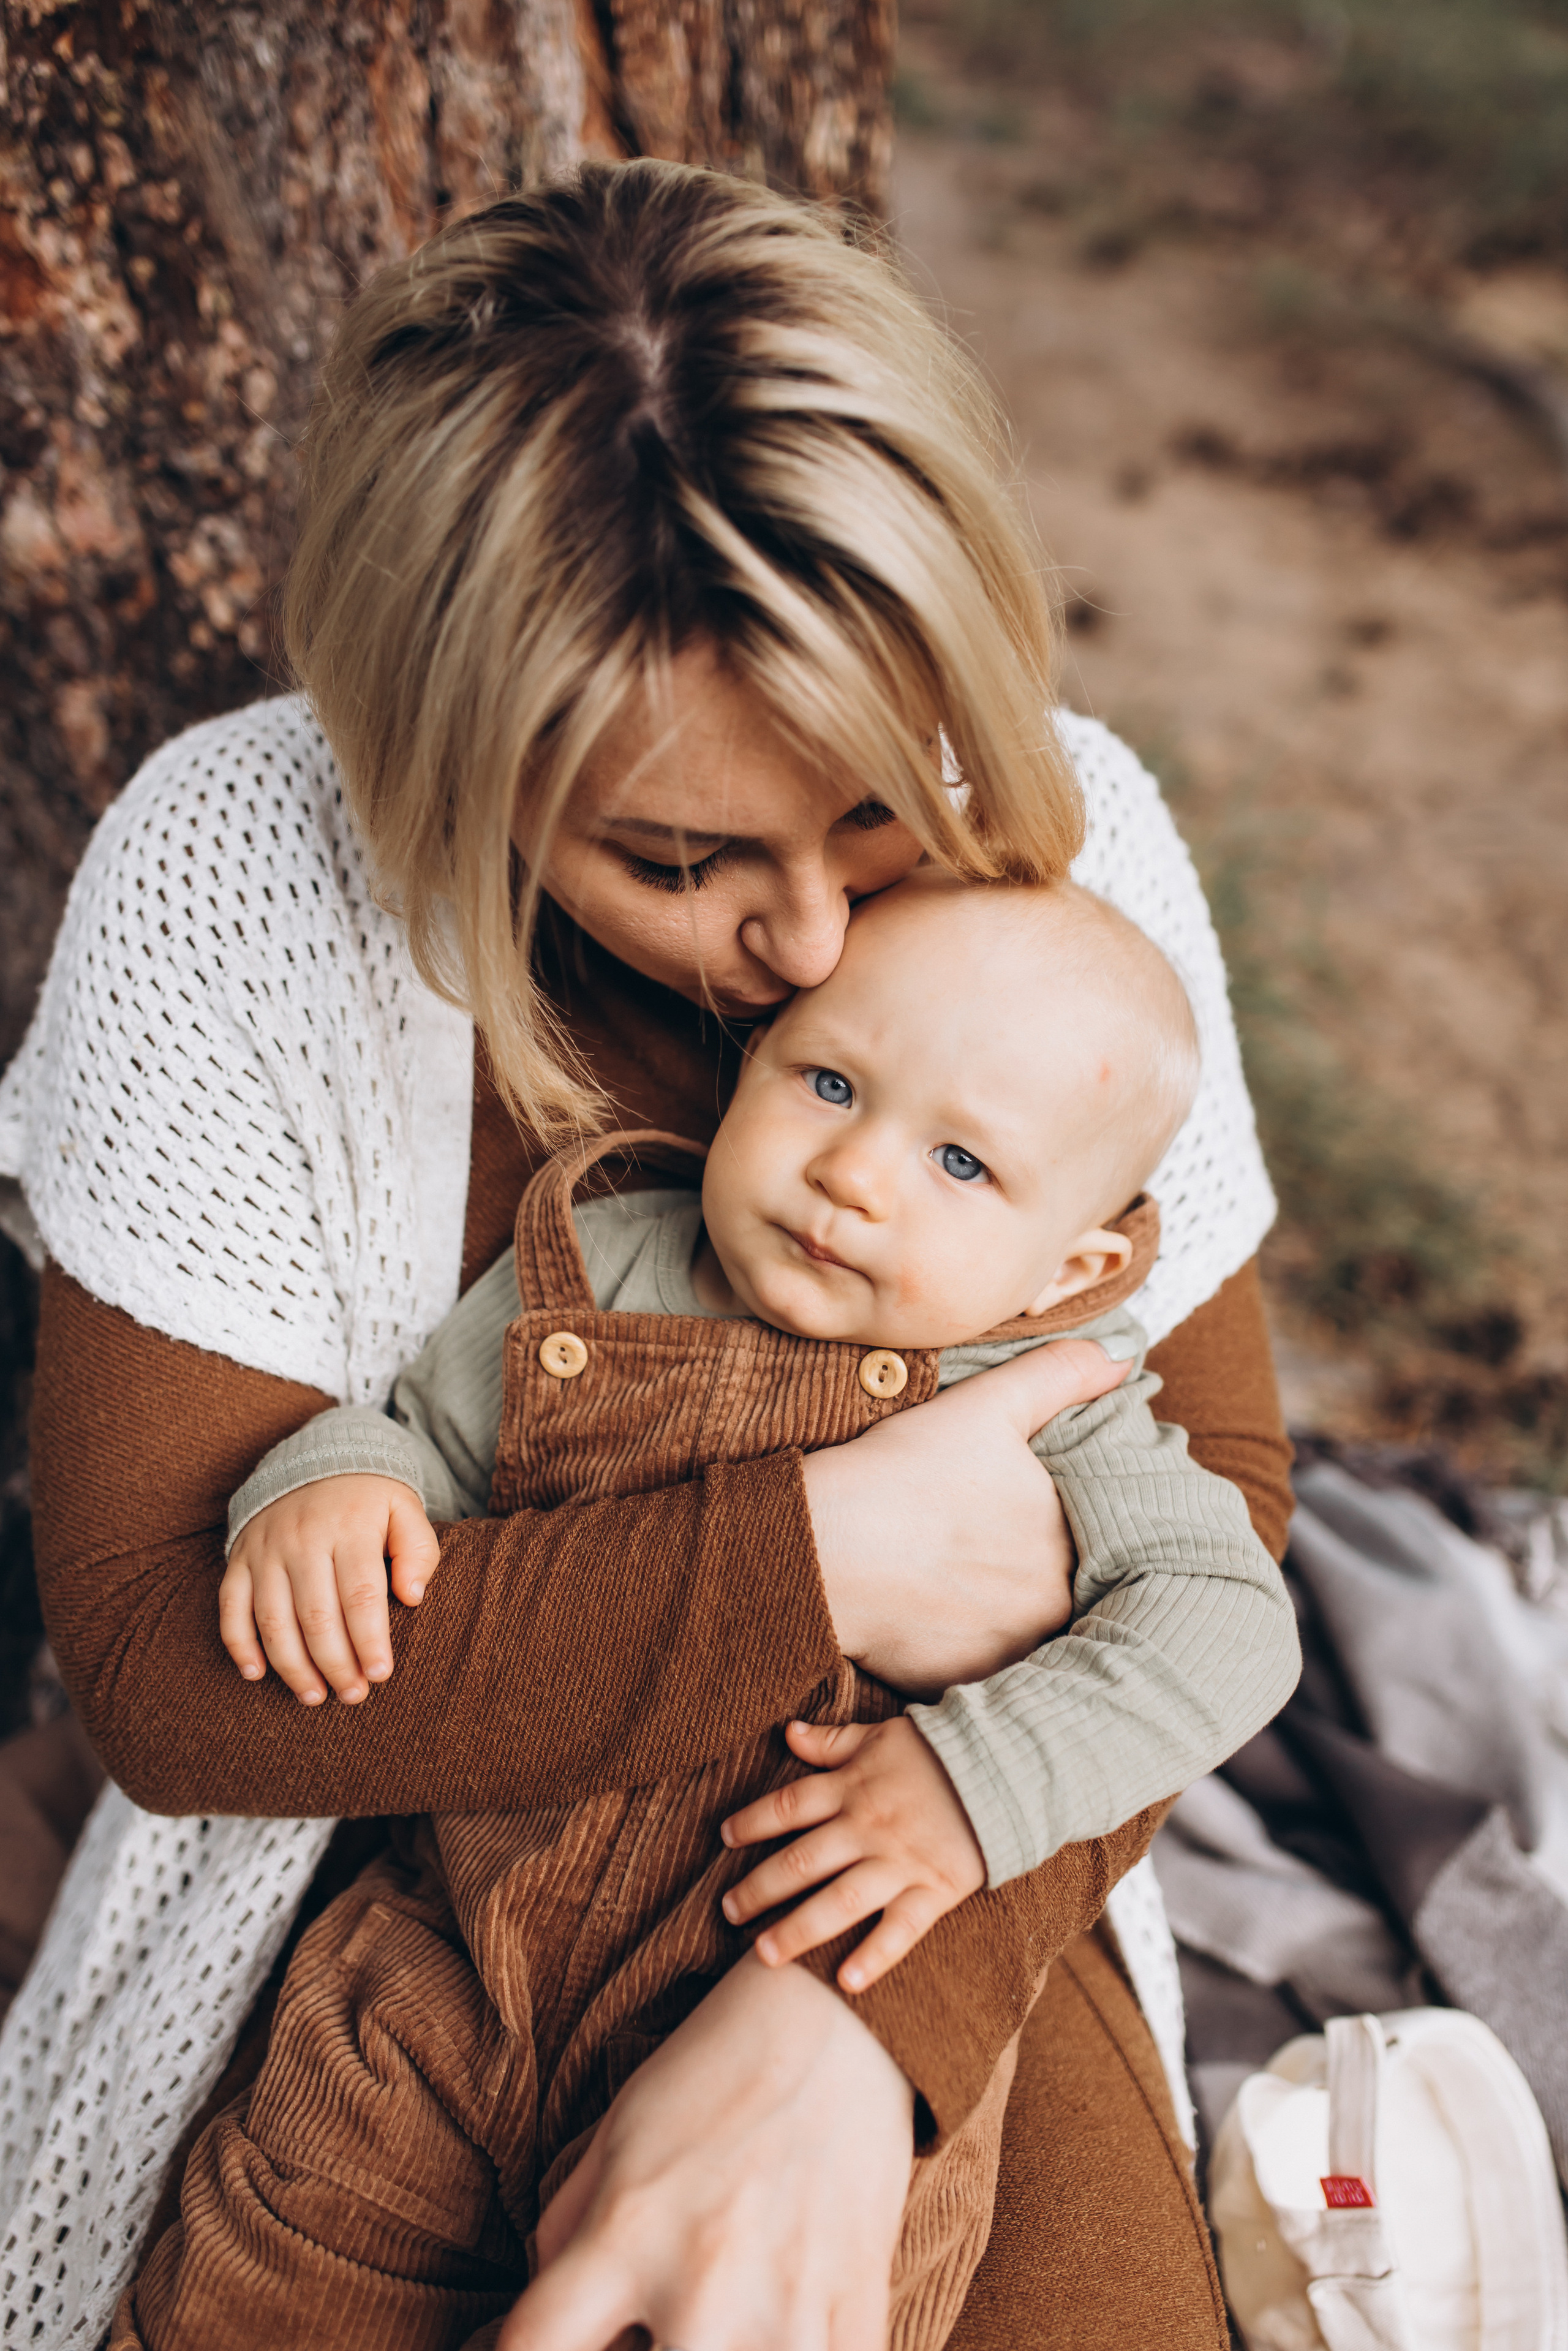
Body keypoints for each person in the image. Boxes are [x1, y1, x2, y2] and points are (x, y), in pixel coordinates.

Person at [2, 161, 1289, 2350]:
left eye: (877, 806)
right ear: (455, 763)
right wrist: (826, 1553)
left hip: (918, 1863)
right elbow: (168, 1656)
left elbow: (1213, 1531)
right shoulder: (236, 882)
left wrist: (848, 2024)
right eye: (682, 856)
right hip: (378, 1917)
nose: (802, 942)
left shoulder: (1071, 847)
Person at [138, 875, 1300, 2347]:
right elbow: (420, 1440)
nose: (855, 1173)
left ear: (1065, 1269)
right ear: (745, 1065)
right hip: (449, 1981)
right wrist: (330, 1478)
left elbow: (1227, 1619)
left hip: (790, 1986)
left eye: (959, 1160)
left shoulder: (1056, 1403)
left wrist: (975, 1779)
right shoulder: (597, 1264)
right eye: (827, 1081)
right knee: (268, 2282)